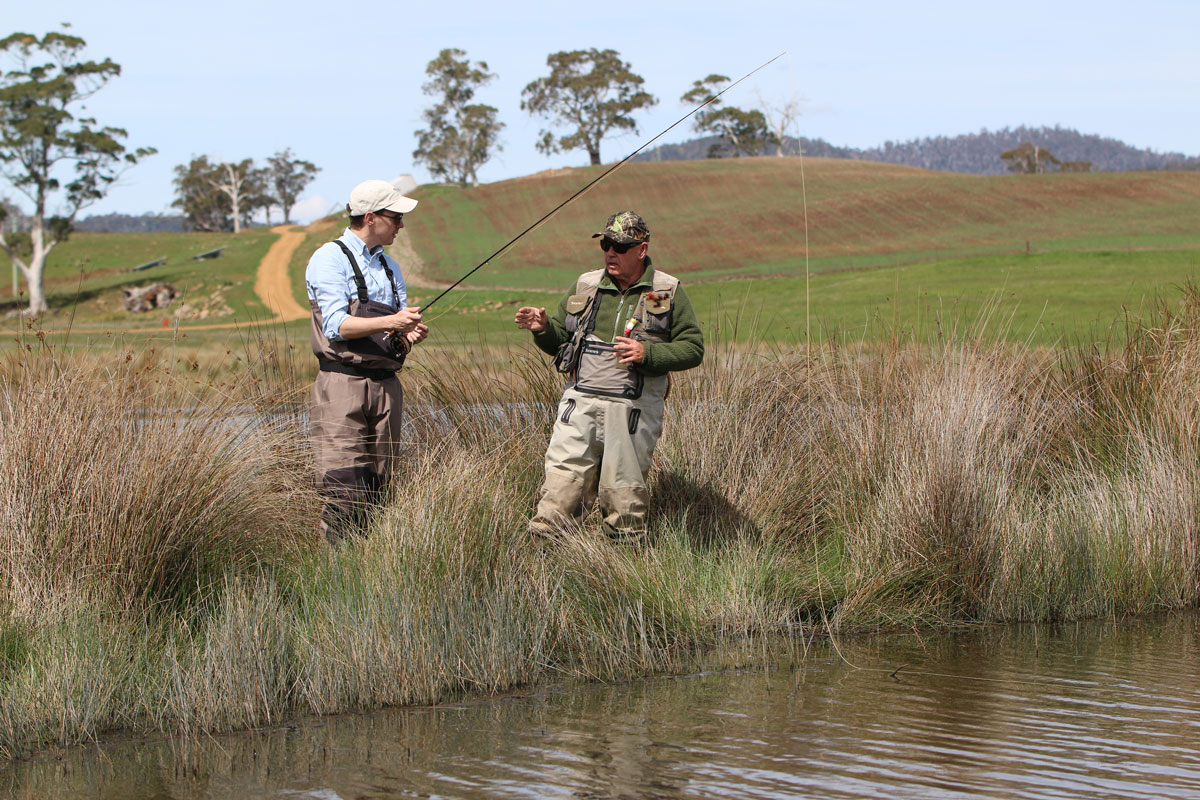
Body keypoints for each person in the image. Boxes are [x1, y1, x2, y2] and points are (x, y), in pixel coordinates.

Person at [514, 211, 704, 543]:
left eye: (619, 246)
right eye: (606, 244)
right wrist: (542, 328)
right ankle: (541, 564)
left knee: (623, 496)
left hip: (633, 411)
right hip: (580, 403)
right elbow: (561, 339)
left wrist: (648, 354)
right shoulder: (586, 285)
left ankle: (620, 574)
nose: (610, 253)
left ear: (641, 250)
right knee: (560, 487)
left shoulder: (666, 290)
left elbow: (693, 348)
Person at [305, 179, 429, 542]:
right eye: (396, 217)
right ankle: (337, 579)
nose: (401, 225)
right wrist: (393, 321)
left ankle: (373, 573)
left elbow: (398, 331)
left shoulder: (391, 267)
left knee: (380, 490)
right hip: (342, 384)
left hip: (387, 388)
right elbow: (336, 325)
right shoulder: (328, 258)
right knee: (343, 490)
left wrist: (409, 336)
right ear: (371, 217)